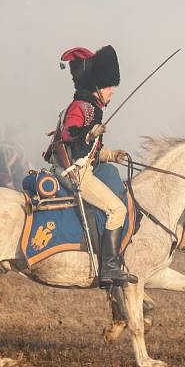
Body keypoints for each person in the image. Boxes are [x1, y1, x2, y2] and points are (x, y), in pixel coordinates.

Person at [48, 45, 135, 286]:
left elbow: (89, 152)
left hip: (80, 166)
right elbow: (70, 134)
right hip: (76, 174)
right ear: (98, 87)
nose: (112, 93)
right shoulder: (82, 107)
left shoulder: (91, 108)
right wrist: (88, 133)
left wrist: (110, 155)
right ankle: (109, 268)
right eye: (109, 88)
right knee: (117, 209)